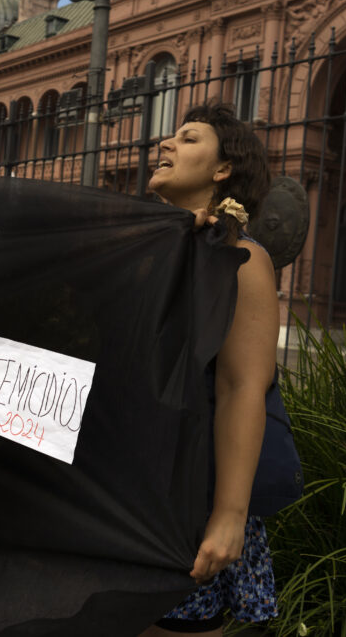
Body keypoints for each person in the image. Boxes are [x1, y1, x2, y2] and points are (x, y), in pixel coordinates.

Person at [140, 103, 278, 636]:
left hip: (187, 498)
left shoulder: (242, 258)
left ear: (223, 171)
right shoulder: (147, 247)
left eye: (188, 138)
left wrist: (228, 517)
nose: (166, 144)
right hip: (122, 482)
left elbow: (242, 385)